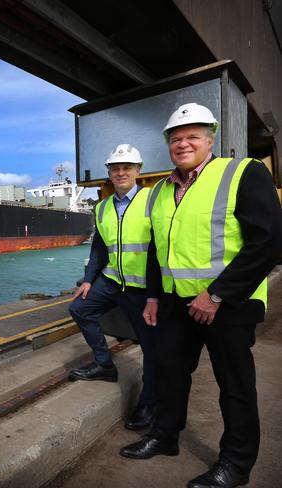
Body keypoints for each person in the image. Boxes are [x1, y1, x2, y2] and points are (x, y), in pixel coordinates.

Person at [119, 103, 282, 488]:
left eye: (192, 136)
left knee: (235, 385)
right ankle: (165, 436)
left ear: (211, 139)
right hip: (177, 302)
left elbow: (269, 243)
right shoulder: (161, 190)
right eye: (176, 138)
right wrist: (155, 297)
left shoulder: (243, 173)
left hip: (229, 303)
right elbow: (161, 247)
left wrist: (218, 294)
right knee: (171, 372)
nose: (183, 143)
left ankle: (236, 465)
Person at [68, 143, 157, 430]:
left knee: (152, 347)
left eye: (127, 168)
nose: (121, 173)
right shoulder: (103, 206)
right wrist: (89, 280)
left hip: (143, 288)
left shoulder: (154, 200)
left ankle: (149, 402)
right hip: (112, 281)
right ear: (109, 172)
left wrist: (159, 293)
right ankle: (104, 365)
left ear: (138, 171)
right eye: (115, 168)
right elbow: (99, 247)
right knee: (80, 308)